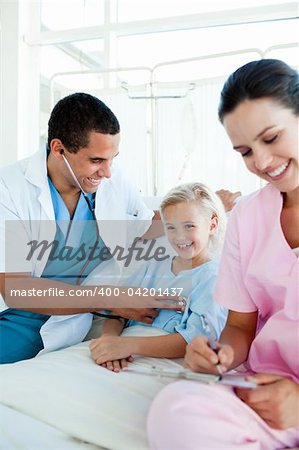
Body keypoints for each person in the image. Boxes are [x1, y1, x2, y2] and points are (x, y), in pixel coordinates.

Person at [147, 59, 299, 449]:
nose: (262, 163)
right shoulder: (248, 216)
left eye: (271, 138)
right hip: (261, 392)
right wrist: (222, 355)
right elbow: (241, 327)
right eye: (246, 151)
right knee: (175, 410)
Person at [0, 93, 185, 364]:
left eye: (113, 159)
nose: (107, 172)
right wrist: (110, 297)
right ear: (58, 149)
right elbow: (16, 289)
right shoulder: (10, 188)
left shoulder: (113, 180)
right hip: (16, 316)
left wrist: (202, 208)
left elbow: (144, 225)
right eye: (96, 160)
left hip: (68, 317)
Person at [89, 182, 227, 371]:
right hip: (120, 348)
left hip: (161, 359)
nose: (180, 237)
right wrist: (109, 340)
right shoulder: (154, 265)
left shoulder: (214, 277)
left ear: (212, 224)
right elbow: (118, 312)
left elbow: (195, 341)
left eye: (189, 226)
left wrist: (128, 346)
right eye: (171, 227)